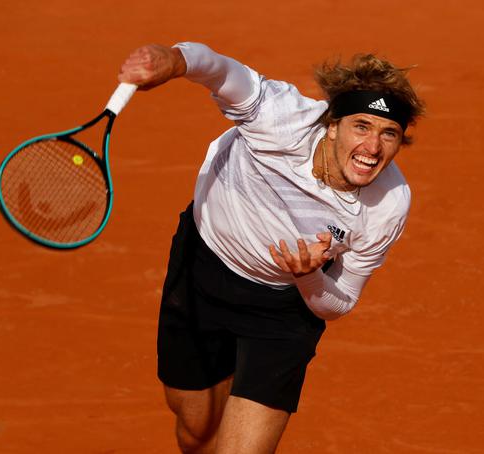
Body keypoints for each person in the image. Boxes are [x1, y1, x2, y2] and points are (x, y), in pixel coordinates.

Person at [118, 41, 424, 453]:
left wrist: (309, 276)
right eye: (362, 127)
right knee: (195, 431)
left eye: (389, 134)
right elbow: (222, 70)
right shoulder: (282, 118)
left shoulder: (388, 204)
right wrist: (172, 61)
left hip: (283, 314)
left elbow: (341, 301)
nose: (373, 148)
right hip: (202, 272)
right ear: (332, 124)